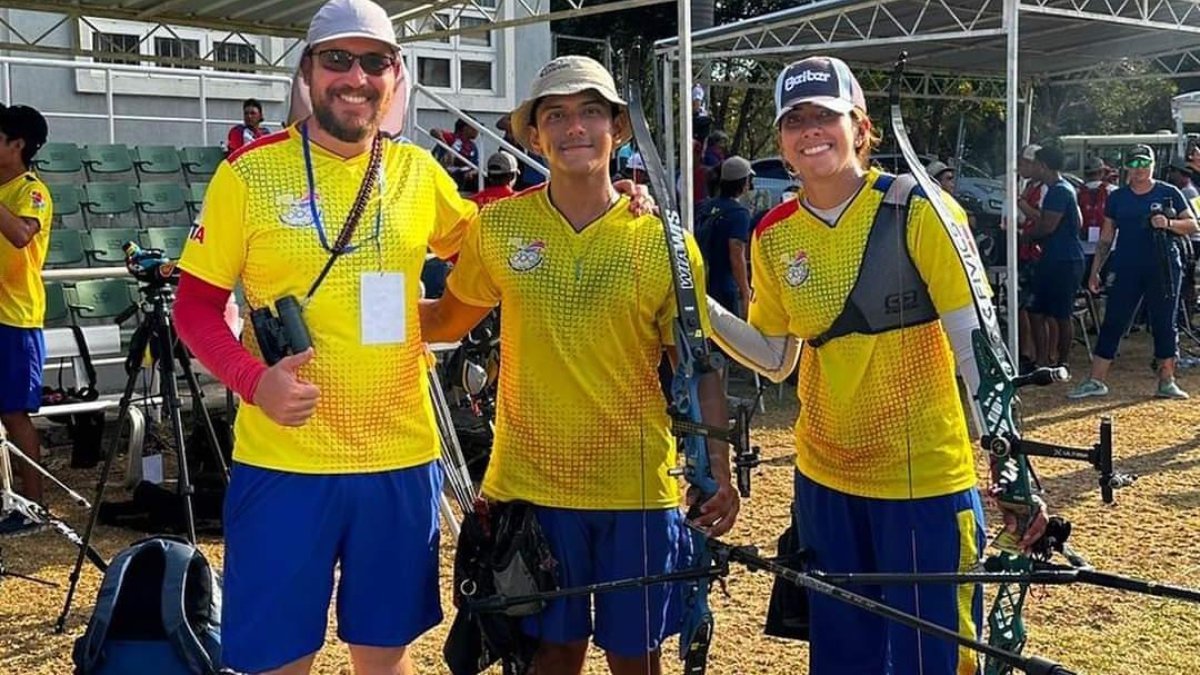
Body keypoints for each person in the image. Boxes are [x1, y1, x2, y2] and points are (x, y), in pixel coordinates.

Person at [701, 56, 1046, 675]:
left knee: (932, 658)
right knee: (844, 659)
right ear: (780, 139)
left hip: (923, 481)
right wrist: (695, 302)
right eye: (795, 121)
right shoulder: (772, 233)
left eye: (825, 117)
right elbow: (776, 358)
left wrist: (1012, 467)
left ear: (859, 127)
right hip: (825, 480)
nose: (811, 133)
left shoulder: (921, 209)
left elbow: (977, 347)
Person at [173, 1, 479, 673]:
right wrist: (255, 382)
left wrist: (609, 195)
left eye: (375, 62)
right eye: (336, 58)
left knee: (384, 654)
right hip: (286, 464)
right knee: (279, 659)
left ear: (394, 78)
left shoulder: (419, 174)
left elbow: (490, 246)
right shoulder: (248, 174)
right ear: (307, 71)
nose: (356, 77)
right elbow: (193, 307)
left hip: (397, 459)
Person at [420, 55, 738, 675]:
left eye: (591, 111)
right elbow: (444, 321)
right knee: (550, 657)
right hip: (531, 488)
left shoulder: (664, 240)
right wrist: (357, 302)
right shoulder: (500, 226)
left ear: (617, 129)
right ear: (534, 135)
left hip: (636, 487)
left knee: (635, 657)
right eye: (557, 114)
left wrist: (717, 469)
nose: (574, 127)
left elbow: (698, 366)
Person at [1068, 144, 1198, 400]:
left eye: (1143, 164)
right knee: (1114, 320)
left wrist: (1169, 223)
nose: (1139, 170)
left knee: (1164, 323)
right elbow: (1106, 238)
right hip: (1127, 265)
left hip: (1164, 267)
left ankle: (1166, 380)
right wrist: (1095, 271)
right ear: (1126, 167)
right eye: (1134, 164)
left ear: (1151, 165)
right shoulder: (1117, 198)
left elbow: (1192, 224)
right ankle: (1096, 380)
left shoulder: (1169, 192)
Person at [0, 104, 52, 535]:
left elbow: (20, 235)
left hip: (15, 318)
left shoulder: (31, 191)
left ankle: (35, 506)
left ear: (17, 145)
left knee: (15, 414)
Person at [1022, 145, 1084, 370]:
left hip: (1064, 260)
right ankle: (1041, 360)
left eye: (1036, 164)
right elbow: (1078, 222)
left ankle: (1062, 361)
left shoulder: (1059, 191)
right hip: (1053, 258)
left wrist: (1025, 236)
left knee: (1061, 313)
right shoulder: (1063, 189)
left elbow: (1047, 226)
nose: (1033, 168)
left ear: (1044, 166)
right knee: (1036, 310)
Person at [695, 155, 754, 319]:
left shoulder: (706, 206)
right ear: (744, 183)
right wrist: (745, 290)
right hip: (726, 288)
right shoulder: (739, 213)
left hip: (703, 282)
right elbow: (736, 253)